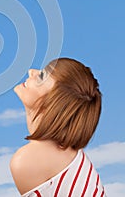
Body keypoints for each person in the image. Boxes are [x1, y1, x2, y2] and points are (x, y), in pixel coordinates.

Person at [11, 58, 106, 196]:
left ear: (54, 103)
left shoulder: (26, 161)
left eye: (42, 76)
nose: (31, 72)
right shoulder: (70, 156)